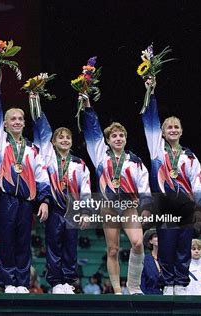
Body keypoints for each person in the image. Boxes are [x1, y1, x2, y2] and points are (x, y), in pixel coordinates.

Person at [0, 65, 51, 294]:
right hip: (5, 199)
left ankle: (21, 283)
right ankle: (7, 282)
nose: (16, 121)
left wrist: (43, 200)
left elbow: (42, 175)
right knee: (6, 241)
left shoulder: (32, 149)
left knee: (23, 242)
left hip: (26, 201)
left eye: (20, 118)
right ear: (4, 124)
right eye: (11, 119)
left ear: (24, 123)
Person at [141, 78, 201, 295]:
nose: (172, 129)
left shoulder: (189, 156)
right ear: (161, 132)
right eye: (168, 127)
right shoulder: (157, 151)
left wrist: (199, 208)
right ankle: (168, 283)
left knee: (183, 245)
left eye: (176, 127)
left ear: (181, 131)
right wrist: (150, 92)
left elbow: (197, 181)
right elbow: (150, 120)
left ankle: (180, 283)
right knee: (167, 245)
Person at [81, 95, 152, 294]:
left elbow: (144, 185)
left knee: (138, 242)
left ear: (126, 138)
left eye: (121, 135)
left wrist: (146, 207)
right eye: (114, 136)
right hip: (109, 207)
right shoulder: (100, 155)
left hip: (129, 207)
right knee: (112, 250)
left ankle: (134, 286)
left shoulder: (135, 161)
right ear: (108, 140)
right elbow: (93, 130)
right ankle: (117, 291)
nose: (118, 138)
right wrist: (88, 107)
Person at [31, 94, 91, 295]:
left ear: (72, 141)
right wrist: (36, 101)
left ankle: (68, 281)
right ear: (53, 142)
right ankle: (56, 281)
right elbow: (43, 128)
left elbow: (86, 189)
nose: (64, 140)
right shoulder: (47, 156)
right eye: (60, 137)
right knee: (54, 244)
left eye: (68, 137)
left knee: (70, 246)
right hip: (55, 207)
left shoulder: (79, 163)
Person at [141, 228, 162, 294]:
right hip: (150, 297)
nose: (159, 238)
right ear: (150, 241)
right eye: (156, 236)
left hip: (167, 298)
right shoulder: (145, 260)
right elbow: (142, 283)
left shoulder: (169, 260)